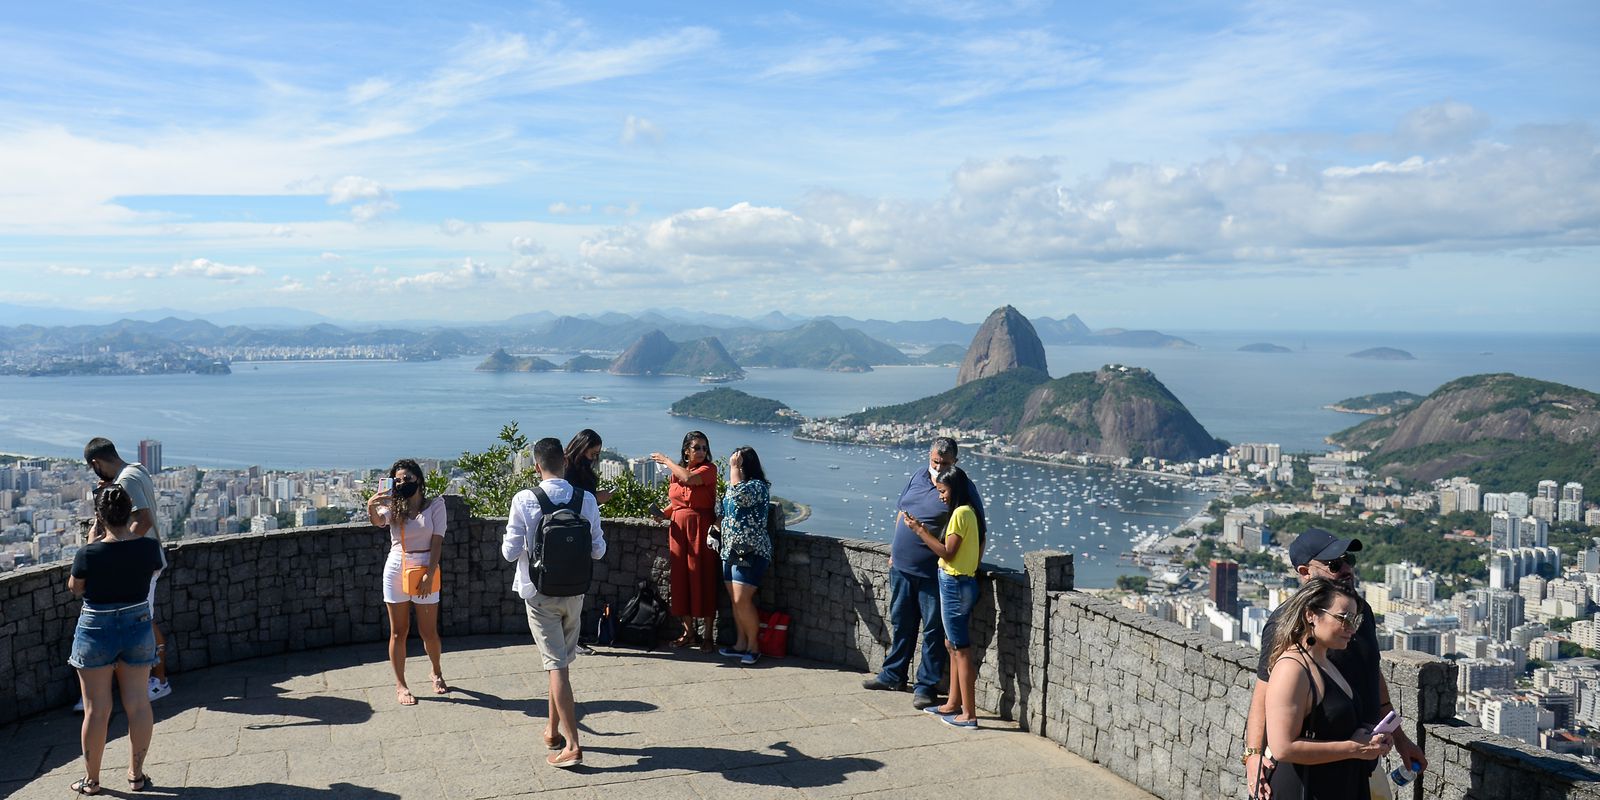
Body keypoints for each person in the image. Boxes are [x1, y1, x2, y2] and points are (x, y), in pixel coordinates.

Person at [1243, 529, 1428, 799]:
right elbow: (1264, 692)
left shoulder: (1358, 613)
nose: (1346, 570)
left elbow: (1371, 674)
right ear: (1306, 572)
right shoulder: (1285, 625)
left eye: (1348, 560)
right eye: (1333, 564)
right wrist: (1253, 756)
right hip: (1313, 773)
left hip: (1358, 763)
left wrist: (1400, 739)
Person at [502, 437, 607, 768]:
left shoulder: (525, 499)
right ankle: (552, 730)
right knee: (559, 662)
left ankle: (573, 745)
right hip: (575, 593)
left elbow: (508, 553)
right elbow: (598, 550)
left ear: (537, 466)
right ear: (564, 461)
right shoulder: (585, 499)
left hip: (539, 593)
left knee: (556, 666)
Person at [863, 437, 987, 710]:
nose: (938, 467)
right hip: (903, 568)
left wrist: (972, 569)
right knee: (902, 622)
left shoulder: (962, 487)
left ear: (955, 462)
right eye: (934, 461)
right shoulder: (918, 476)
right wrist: (894, 551)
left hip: (935, 573)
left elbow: (979, 531)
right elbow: (902, 511)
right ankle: (892, 674)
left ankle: (925, 686)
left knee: (933, 631)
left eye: (943, 463)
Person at [66, 485, 164, 795]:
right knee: (137, 702)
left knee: (96, 709)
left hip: (96, 627)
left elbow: (75, 588)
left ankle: (92, 781)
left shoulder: (89, 552)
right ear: (128, 511)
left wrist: (92, 541)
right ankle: (136, 775)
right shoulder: (148, 548)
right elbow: (148, 571)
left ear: (100, 516)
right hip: (137, 623)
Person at [1261, 578, 1393, 799]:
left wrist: (1371, 739)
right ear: (1311, 615)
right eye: (1343, 618)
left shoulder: (1326, 663)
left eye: (1355, 619)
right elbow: (1283, 747)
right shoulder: (1292, 669)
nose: (1351, 628)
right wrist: (1355, 748)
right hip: (1304, 789)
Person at [83, 437, 172, 704]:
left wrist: (118, 548)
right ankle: (154, 678)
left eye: (93, 467)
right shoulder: (136, 469)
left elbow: (142, 521)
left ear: (97, 462)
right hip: (144, 558)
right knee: (144, 617)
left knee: (143, 620)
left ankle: (160, 681)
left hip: (140, 562)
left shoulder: (127, 479)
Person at [901, 465, 983, 729]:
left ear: (955, 489)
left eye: (944, 491)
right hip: (963, 582)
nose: (941, 496)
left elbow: (947, 552)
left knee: (960, 649)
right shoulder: (970, 512)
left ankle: (969, 714)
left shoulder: (960, 514)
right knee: (952, 645)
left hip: (954, 584)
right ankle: (952, 703)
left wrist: (920, 530)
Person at [365, 458, 448, 706]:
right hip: (397, 568)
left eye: (408, 478)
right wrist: (372, 506)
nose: (403, 483)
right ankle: (400, 685)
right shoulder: (394, 507)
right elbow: (378, 521)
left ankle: (436, 671)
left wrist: (429, 574)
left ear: (419, 480)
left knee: (428, 631)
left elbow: (437, 541)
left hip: (425, 568)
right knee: (398, 631)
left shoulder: (435, 505)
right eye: (398, 479)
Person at [651, 431, 718, 650]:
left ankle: (707, 634)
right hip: (679, 530)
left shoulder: (709, 469)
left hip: (701, 528)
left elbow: (689, 480)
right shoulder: (678, 472)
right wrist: (663, 513)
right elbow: (677, 501)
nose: (701, 452)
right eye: (697, 447)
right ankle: (688, 632)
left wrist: (666, 461)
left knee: (704, 577)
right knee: (681, 579)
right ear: (687, 451)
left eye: (704, 448)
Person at [715, 446, 772, 666]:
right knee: (735, 600)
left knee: (742, 599)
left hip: (751, 549)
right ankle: (740, 644)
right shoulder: (734, 485)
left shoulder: (756, 486)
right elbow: (725, 511)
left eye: (737, 462)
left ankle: (753, 647)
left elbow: (740, 497)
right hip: (730, 548)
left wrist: (734, 470)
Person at [563, 428, 615, 505]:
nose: (594, 458)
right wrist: (596, 498)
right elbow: (568, 497)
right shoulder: (566, 468)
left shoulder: (583, 468)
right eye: (592, 454)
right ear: (582, 450)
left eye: (596, 454)